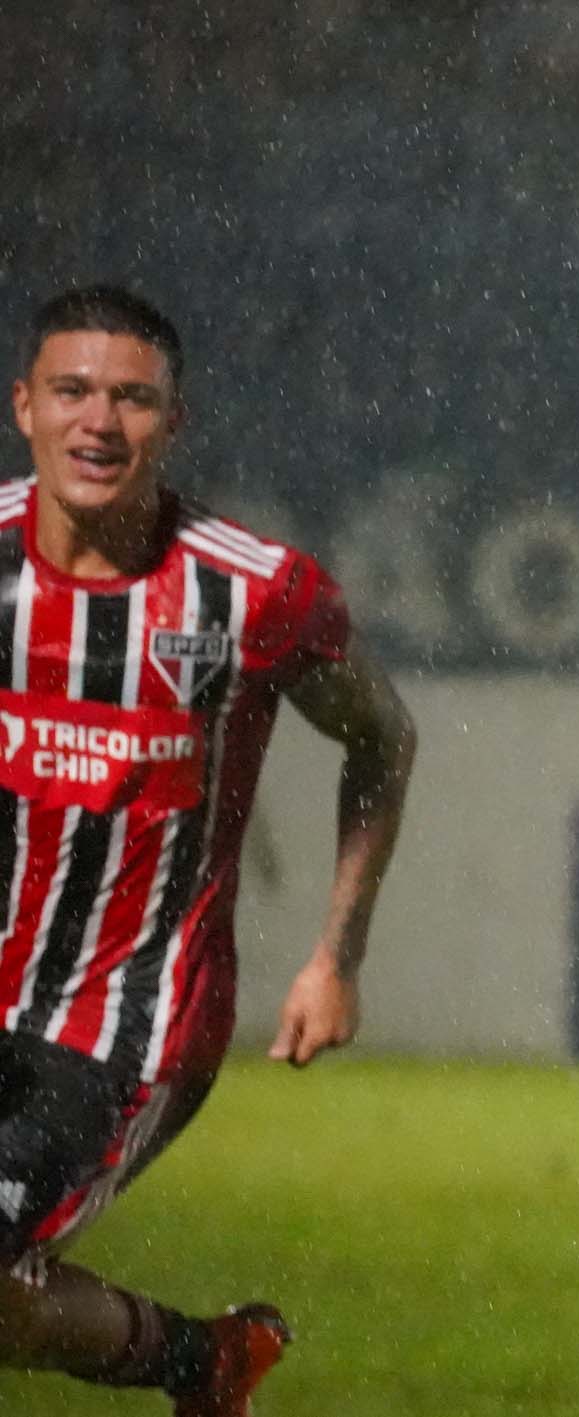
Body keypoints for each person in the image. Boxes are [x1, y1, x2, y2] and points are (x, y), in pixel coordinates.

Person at [0, 286, 417, 1415]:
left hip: (128, 1024)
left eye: (133, 398)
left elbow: (380, 735)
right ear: (24, 405)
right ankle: (204, 1360)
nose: (100, 421)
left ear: (172, 424)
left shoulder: (249, 591)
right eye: (74, 391)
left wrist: (337, 952)